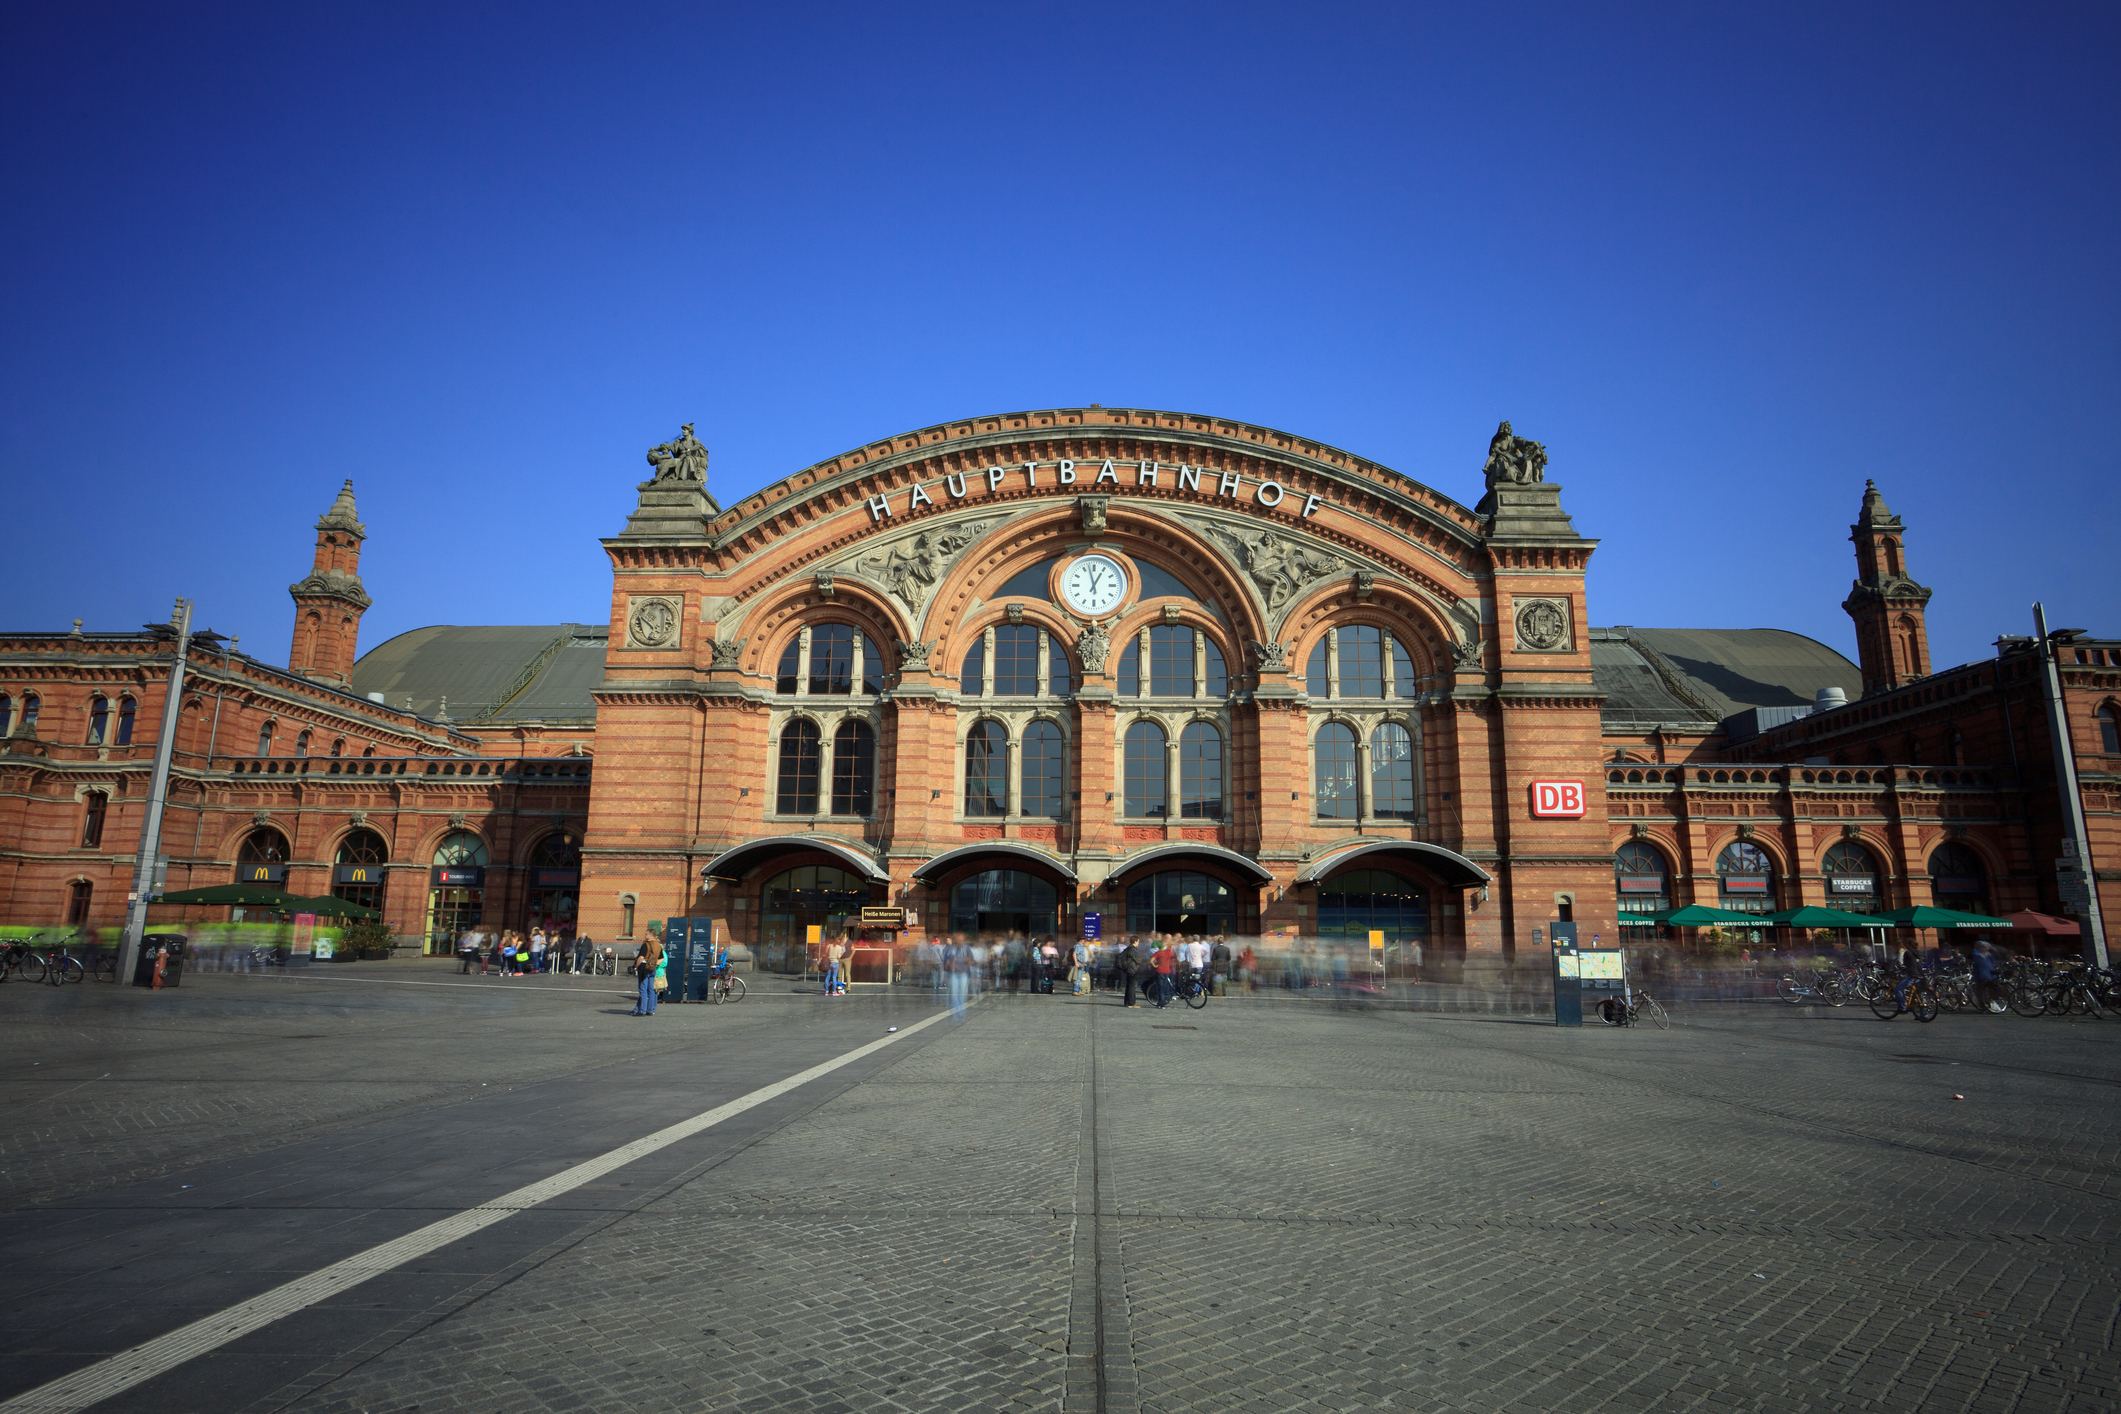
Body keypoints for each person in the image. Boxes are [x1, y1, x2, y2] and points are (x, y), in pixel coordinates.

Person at [633, 933, 663, 1016]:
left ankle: (642, 1010)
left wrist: (636, 966)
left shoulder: (646, 944)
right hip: (652, 969)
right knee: (651, 990)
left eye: (646, 934)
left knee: (643, 990)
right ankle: (650, 1010)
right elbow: (662, 958)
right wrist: (655, 964)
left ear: (650, 935)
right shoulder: (658, 945)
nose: (645, 936)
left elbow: (641, 957)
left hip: (644, 968)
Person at [943, 937, 970, 1020]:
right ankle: (955, 1013)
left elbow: (969, 960)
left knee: (962, 993)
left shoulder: (966, 949)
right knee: (954, 994)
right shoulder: (951, 949)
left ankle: (961, 1012)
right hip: (954, 973)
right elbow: (948, 961)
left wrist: (964, 966)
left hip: (963, 973)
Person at [1118, 939, 1145, 1008]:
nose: (1138, 943)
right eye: (1138, 941)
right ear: (1135, 941)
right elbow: (1138, 960)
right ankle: (1131, 1003)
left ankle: (1127, 1002)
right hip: (1132, 969)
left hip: (1128, 969)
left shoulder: (1128, 948)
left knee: (1129, 986)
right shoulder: (1133, 950)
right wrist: (1143, 960)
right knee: (1132, 986)